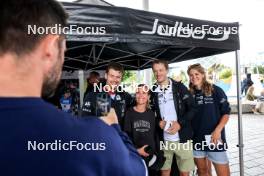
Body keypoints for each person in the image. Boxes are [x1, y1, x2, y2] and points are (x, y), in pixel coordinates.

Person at [0, 1, 147, 175]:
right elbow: (139, 171)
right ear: (50, 46)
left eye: (118, 77)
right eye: (64, 48)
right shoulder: (91, 132)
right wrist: (113, 128)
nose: (115, 80)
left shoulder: (123, 97)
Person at [150, 60, 196, 176]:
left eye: (160, 70)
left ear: (167, 70)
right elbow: (150, 113)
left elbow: (193, 108)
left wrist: (180, 124)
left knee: (184, 173)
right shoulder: (153, 90)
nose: (158, 73)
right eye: (155, 71)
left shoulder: (179, 87)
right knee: (165, 171)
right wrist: (158, 122)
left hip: (183, 138)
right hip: (164, 140)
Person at [187, 63, 231, 176]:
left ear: (202, 75)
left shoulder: (215, 90)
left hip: (214, 138)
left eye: (196, 74)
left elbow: (226, 113)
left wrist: (217, 131)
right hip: (196, 139)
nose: (194, 77)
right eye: (191, 75)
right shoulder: (189, 94)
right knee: (202, 172)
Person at [124, 84, 164, 176]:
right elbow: (126, 135)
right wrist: (136, 150)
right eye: (138, 92)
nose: (141, 95)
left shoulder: (151, 113)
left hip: (151, 157)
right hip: (135, 155)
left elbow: (155, 135)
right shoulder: (129, 112)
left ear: (148, 96)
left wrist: (158, 154)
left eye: (144, 93)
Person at [81, 62, 134, 129]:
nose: (115, 80)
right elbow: (85, 121)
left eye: (118, 77)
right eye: (112, 76)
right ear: (106, 76)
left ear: (121, 78)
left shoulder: (126, 96)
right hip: (101, 138)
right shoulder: (92, 96)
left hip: (119, 137)